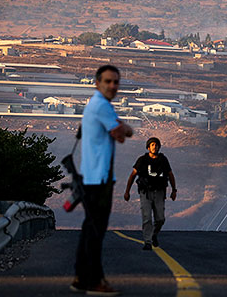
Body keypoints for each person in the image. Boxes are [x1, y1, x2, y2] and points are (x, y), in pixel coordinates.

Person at [71, 64, 133, 296]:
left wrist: (121, 130)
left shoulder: (94, 105)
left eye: (115, 82)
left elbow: (119, 135)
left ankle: (80, 276)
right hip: (99, 179)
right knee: (96, 231)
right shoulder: (102, 106)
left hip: (92, 176)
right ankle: (94, 281)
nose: (112, 86)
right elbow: (122, 134)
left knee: (89, 229)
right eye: (107, 81)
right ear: (97, 83)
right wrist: (124, 127)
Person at [123, 137, 177, 250]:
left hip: (160, 192)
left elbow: (170, 174)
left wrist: (174, 190)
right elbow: (133, 175)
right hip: (145, 192)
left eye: (156, 145)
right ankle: (147, 242)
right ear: (148, 147)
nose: (155, 147)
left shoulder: (163, 160)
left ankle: (153, 235)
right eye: (152, 145)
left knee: (160, 219)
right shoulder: (142, 160)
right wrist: (127, 192)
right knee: (147, 217)